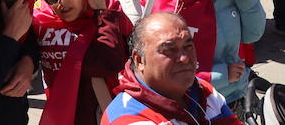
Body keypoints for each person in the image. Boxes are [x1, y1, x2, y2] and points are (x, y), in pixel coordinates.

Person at [32, 0, 134, 125]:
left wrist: (102, 14)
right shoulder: (41, 20)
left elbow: (112, 63)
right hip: (60, 112)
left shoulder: (109, 11)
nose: (61, 2)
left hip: (100, 111)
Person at [99, 12, 241, 125]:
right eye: (169, 49)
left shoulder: (202, 89)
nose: (184, 58)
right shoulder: (128, 118)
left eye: (188, 46)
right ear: (139, 59)